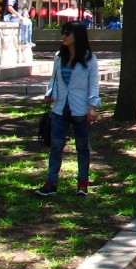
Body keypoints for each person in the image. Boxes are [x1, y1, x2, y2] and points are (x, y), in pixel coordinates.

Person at [35, 22, 100, 196]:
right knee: (56, 146)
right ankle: (51, 182)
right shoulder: (59, 56)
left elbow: (93, 84)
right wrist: (51, 93)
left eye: (68, 33)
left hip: (80, 107)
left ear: (77, 36)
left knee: (82, 147)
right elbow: (53, 80)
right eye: (62, 33)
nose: (64, 36)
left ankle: (83, 183)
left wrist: (93, 106)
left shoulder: (89, 58)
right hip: (60, 107)